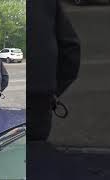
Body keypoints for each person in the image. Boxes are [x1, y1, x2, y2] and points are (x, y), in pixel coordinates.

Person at [27, 0, 81, 141]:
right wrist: (54, 89)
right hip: (39, 95)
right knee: (37, 150)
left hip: (14, 103)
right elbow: (71, 48)